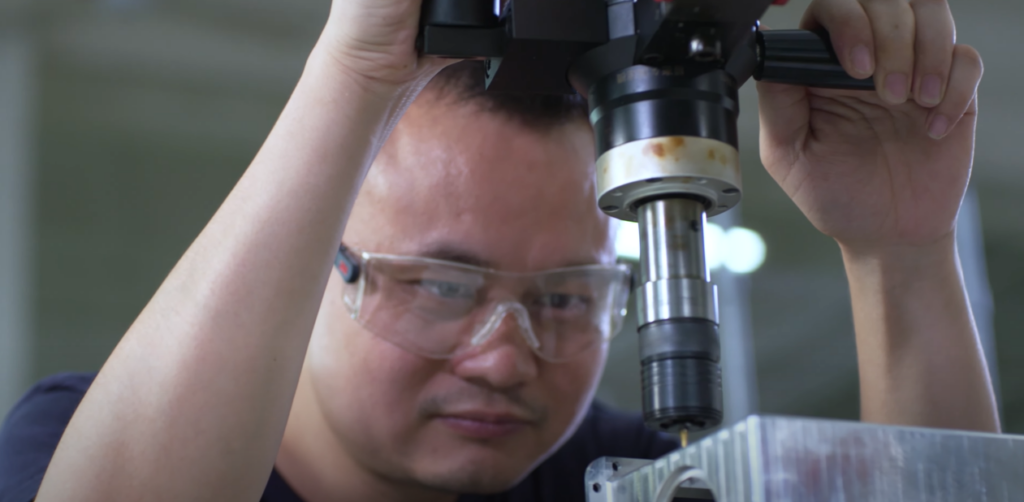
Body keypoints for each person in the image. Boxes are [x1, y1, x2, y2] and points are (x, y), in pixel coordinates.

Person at [0, 0, 1000, 500]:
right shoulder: (88, 441)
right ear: (316, 262)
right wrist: (350, 79)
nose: (503, 356)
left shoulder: (630, 475)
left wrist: (902, 256)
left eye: (566, 297)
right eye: (441, 283)